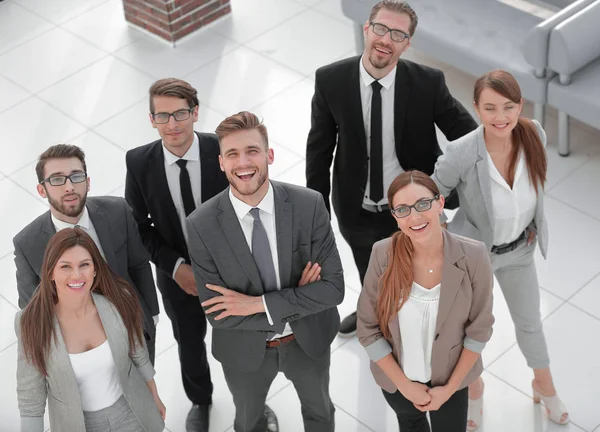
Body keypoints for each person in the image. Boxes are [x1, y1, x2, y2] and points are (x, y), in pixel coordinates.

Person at [306, 0, 478, 338]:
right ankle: (373, 308)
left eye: (398, 34)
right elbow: (319, 147)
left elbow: (469, 137)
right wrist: (318, 206)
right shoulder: (331, 80)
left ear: (407, 43)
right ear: (367, 28)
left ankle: (415, 327)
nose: (386, 39)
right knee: (369, 269)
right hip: (355, 204)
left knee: (418, 275)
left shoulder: (427, 83)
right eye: (381, 29)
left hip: (412, 209)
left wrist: (453, 187)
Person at [187, 111, 344, 432]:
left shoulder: (309, 205)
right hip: (242, 350)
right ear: (221, 163)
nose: (243, 162)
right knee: (248, 419)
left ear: (269, 155)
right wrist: (299, 297)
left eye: (252, 151)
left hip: (308, 342)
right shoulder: (201, 225)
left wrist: (258, 304)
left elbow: (333, 289)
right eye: (232, 154)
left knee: (320, 412)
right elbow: (218, 314)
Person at [432, 69, 568, 429]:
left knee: (529, 322)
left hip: (520, 250)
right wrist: (445, 240)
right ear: (476, 108)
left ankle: (544, 382)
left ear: (520, 105)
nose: (500, 117)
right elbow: (431, 197)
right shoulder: (461, 153)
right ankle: (474, 388)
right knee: (467, 330)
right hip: (476, 258)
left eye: (509, 107)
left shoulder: (534, 132)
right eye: (490, 108)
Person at [125, 78, 228, 432]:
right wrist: (175, 267)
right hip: (176, 275)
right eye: (163, 116)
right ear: (151, 119)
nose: (173, 124)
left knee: (238, 337)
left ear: (196, 113)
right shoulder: (139, 162)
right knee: (189, 341)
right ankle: (201, 399)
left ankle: (250, 396)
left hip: (231, 268)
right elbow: (138, 226)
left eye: (181, 113)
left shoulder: (222, 150)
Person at [356, 170, 494, 431]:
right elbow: (368, 329)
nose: (415, 217)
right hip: (398, 382)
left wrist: (449, 389)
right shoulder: (382, 254)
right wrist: (405, 387)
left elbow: (479, 330)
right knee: (410, 423)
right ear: (395, 218)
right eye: (403, 210)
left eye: (422, 204)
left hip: (451, 383)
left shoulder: (474, 256)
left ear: (440, 204)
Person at [13, 144, 160, 362]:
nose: (69, 186)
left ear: (88, 182)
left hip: (131, 327)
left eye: (76, 176)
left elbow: (138, 264)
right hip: (80, 347)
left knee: (144, 389)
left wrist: (151, 315)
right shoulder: (28, 243)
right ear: (42, 189)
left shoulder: (118, 211)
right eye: (57, 179)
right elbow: (32, 307)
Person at [15, 228, 166, 432]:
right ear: (50, 272)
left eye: (84, 265)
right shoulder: (30, 323)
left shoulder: (119, 300)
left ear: (95, 269)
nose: (76, 275)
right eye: (65, 267)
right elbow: (30, 400)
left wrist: (154, 397)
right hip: (77, 424)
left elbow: (138, 354)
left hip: (133, 412)